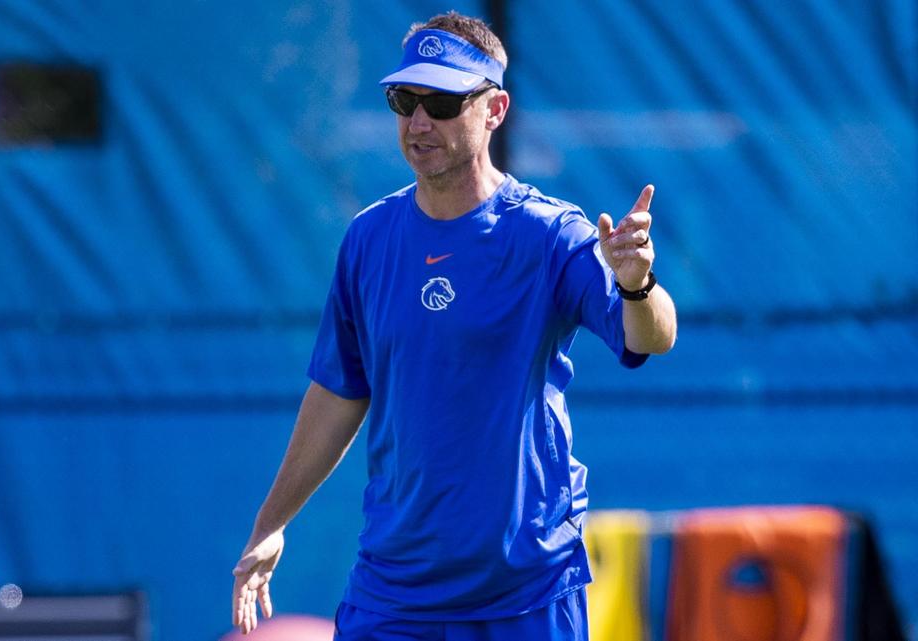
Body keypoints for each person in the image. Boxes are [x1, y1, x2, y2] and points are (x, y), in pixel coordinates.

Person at [232, 11, 676, 640]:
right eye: (404, 100)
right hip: (395, 593)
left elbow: (651, 336)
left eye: (441, 103)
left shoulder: (549, 233)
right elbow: (338, 392)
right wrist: (272, 523)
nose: (418, 122)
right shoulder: (369, 238)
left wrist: (637, 282)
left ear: (495, 110)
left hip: (526, 593)